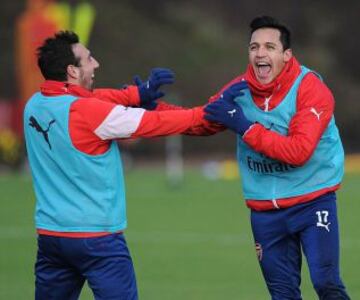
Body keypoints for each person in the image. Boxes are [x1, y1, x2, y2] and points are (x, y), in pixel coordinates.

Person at [23, 30, 205, 300]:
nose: (96, 64)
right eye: (89, 59)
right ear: (72, 71)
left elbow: (93, 97)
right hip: (97, 239)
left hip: (52, 238)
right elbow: (154, 123)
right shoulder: (86, 112)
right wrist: (210, 113)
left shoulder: (34, 105)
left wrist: (136, 93)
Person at [201, 16, 351, 299]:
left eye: (270, 47)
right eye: (254, 47)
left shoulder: (310, 88)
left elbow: (298, 152)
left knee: (326, 283)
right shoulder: (239, 88)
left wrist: (244, 126)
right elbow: (200, 119)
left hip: (313, 201)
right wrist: (141, 108)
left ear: (286, 55)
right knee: (282, 295)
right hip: (265, 213)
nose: (260, 53)